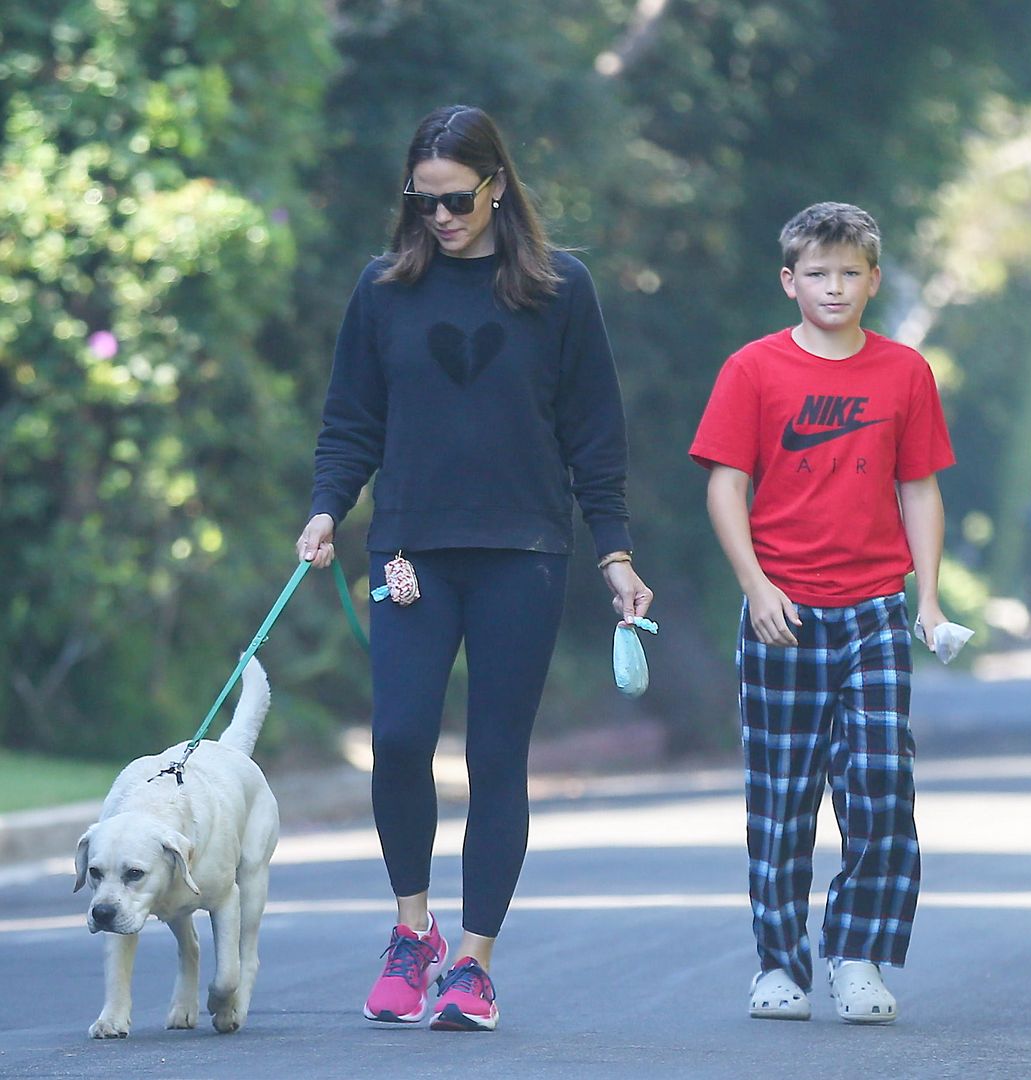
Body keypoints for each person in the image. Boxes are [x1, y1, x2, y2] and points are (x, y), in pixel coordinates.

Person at [296, 104, 652, 1032]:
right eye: (423, 201)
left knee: (496, 756)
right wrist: (327, 510)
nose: (441, 218)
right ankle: (412, 933)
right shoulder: (383, 291)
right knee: (403, 738)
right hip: (410, 548)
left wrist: (614, 550)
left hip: (523, 553)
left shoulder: (561, 290)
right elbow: (351, 421)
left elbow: (594, 435)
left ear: (497, 186)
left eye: (456, 200)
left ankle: (473, 964)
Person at [689, 202, 954, 1025]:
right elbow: (725, 485)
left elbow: (920, 487)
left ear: (873, 279)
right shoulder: (753, 369)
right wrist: (758, 586)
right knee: (782, 796)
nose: (833, 287)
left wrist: (930, 597)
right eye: (817, 273)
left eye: (849, 273)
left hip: (875, 606)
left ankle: (859, 954)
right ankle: (779, 965)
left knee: (880, 783)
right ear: (788, 281)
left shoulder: (904, 372)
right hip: (784, 610)